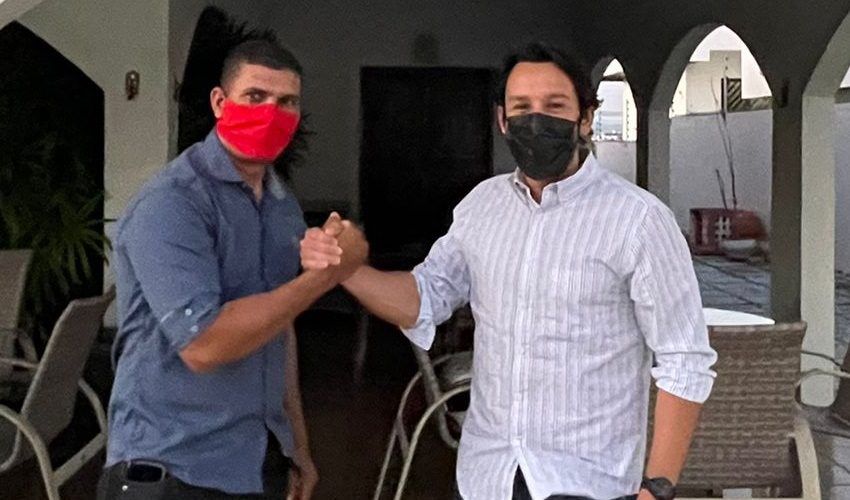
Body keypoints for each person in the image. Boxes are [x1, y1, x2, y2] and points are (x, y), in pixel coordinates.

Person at [301, 42, 717, 500]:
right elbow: (425, 297)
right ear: (502, 120)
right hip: (488, 476)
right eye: (522, 107)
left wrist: (657, 489)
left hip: (587, 481)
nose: (536, 121)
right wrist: (346, 270)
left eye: (554, 106)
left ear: (586, 118)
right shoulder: (482, 206)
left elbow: (684, 359)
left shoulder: (640, 221)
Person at [99, 39, 366, 500]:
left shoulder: (281, 205)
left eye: (286, 102)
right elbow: (204, 345)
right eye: (255, 96)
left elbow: (279, 327)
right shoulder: (173, 203)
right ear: (220, 102)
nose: (270, 113)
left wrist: (297, 443)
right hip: (172, 465)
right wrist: (323, 278)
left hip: (255, 460)